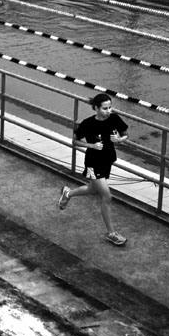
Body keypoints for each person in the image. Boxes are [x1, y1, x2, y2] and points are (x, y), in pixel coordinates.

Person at [58, 93, 130, 246]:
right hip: (93, 162)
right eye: (105, 108)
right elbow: (75, 141)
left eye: (110, 108)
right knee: (107, 196)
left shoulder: (114, 118)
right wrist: (91, 145)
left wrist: (119, 140)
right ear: (96, 108)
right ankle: (111, 233)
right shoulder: (88, 123)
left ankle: (68, 193)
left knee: (92, 189)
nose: (108, 111)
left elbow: (125, 135)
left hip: (107, 160)